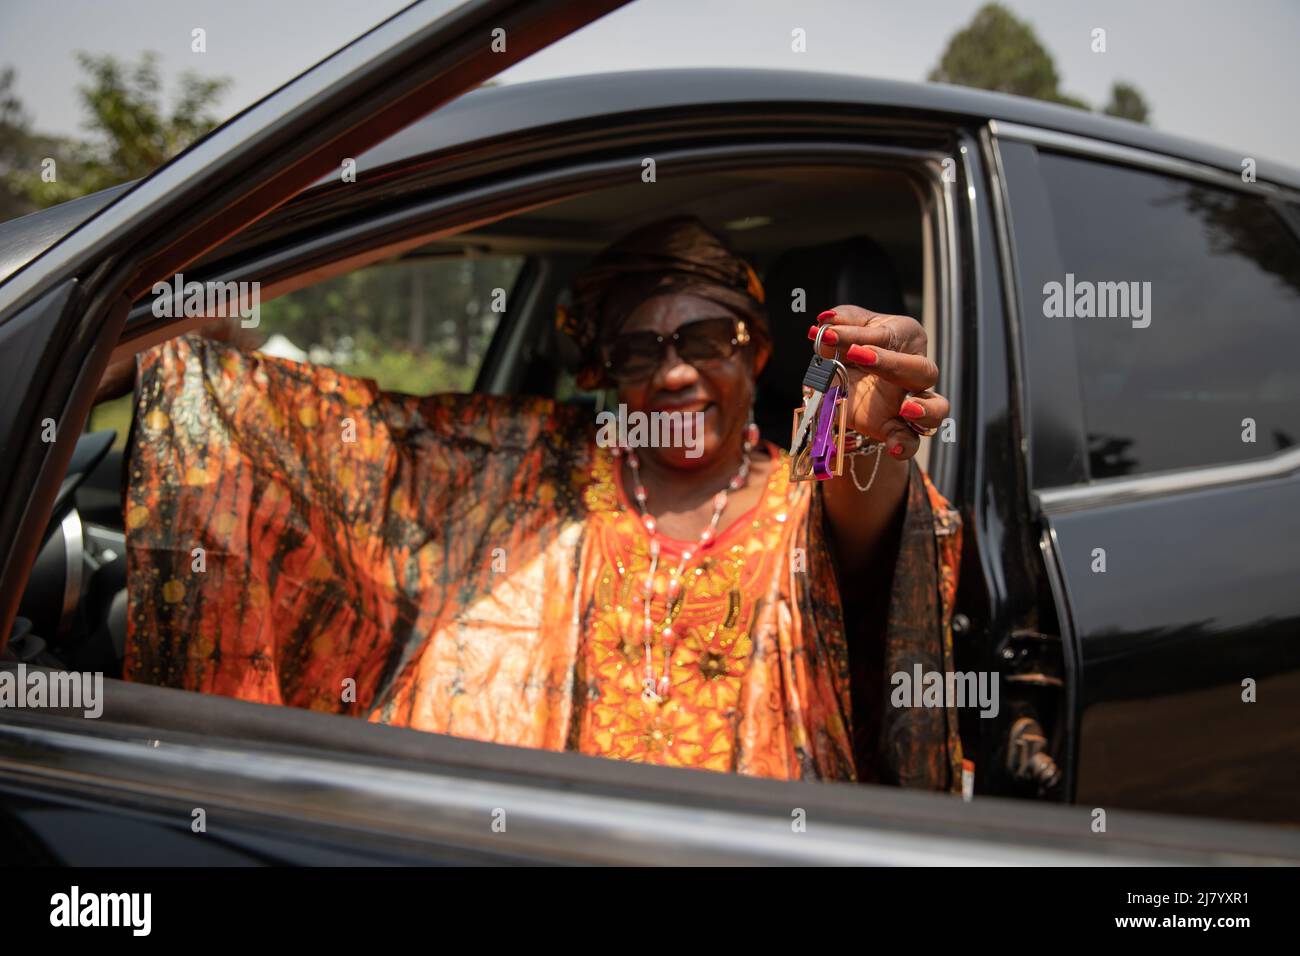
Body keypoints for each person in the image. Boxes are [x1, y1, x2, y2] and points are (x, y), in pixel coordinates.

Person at [120, 215, 963, 789]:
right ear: (607, 373)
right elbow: (339, 443)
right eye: (640, 348)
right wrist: (158, 334)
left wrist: (861, 444)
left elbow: (864, 541)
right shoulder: (530, 466)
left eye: (706, 341)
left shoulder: (802, 499)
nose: (673, 372)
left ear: (760, 350)